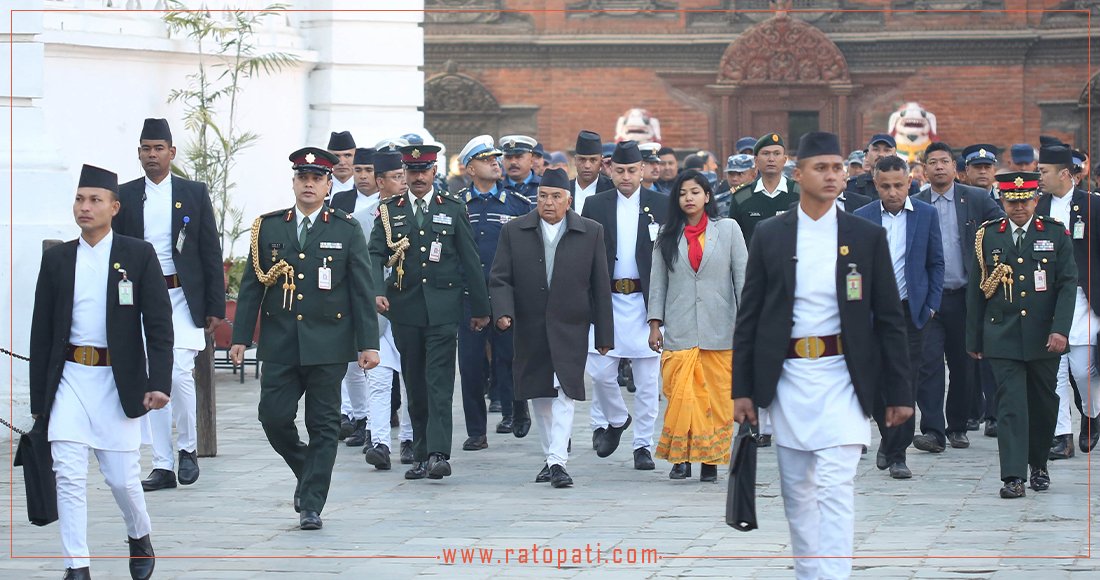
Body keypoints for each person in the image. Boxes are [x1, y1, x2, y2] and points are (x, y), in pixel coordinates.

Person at [733, 132, 913, 580]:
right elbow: (749, 317)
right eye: (821, 168)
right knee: (798, 493)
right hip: (789, 377)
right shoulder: (772, 235)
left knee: (835, 486)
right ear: (799, 176)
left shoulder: (864, 236)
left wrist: (899, 392)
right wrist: (742, 390)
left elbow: (889, 319)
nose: (832, 175)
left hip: (844, 377)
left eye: (837, 167)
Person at [30, 164, 174, 580]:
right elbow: (41, 332)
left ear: (114, 206)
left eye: (94, 200)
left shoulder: (137, 254)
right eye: (79, 199)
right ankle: (77, 566)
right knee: (69, 475)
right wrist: (41, 400)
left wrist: (158, 383)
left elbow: (159, 325)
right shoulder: (58, 259)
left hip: (117, 381)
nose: (85, 207)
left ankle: (139, 534)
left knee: (122, 480)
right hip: (71, 379)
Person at [230, 147, 380, 530]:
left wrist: (369, 343)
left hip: (328, 342)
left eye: (317, 178)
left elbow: (362, 291)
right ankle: (306, 467)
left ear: (329, 184)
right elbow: (251, 288)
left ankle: (312, 503)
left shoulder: (344, 228)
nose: (309, 184)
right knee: (273, 417)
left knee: (323, 424)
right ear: (294, 182)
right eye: (303, 178)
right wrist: (240, 338)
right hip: (280, 342)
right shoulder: (269, 227)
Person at [113, 118, 225, 492]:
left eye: (158, 148)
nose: (152, 155)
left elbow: (209, 250)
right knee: (153, 378)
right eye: (146, 148)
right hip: (142, 296)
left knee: (177, 373)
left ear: (171, 153)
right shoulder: (125, 196)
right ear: (139, 153)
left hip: (180, 295)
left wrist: (214, 305)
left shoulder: (192, 193)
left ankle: (187, 448)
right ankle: (162, 464)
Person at [368, 142, 491, 481]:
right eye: (412, 171)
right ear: (405, 174)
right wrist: (378, 291)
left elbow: (469, 259)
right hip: (405, 309)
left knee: (439, 382)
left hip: (443, 309)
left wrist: (481, 307)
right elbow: (375, 254)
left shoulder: (451, 208)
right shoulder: (390, 211)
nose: (418, 176)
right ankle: (420, 452)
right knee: (416, 382)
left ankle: (438, 453)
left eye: (424, 170)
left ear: (435, 172)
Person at [489, 168, 615, 488]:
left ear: (568, 200)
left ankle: (558, 461)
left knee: (564, 391)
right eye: (543, 196)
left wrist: (604, 334)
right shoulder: (515, 230)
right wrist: (503, 311)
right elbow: (500, 277)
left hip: (570, 325)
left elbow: (600, 286)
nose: (548, 202)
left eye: (556, 197)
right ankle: (551, 457)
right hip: (530, 325)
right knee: (540, 395)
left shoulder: (590, 231)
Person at [966, 171, 1077, 498]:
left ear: (1036, 200)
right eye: (1012, 201)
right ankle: (1012, 476)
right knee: (1010, 405)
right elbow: (976, 290)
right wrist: (974, 339)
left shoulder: (1055, 234)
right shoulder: (989, 235)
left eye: (1025, 201)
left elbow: (1067, 284)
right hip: (1002, 334)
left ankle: (1038, 464)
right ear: (1002, 200)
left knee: (1044, 405)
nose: (1019, 207)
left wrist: (1061, 329)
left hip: (1045, 337)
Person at [648, 170, 747, 482]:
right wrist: (654, 324)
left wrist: (747, 322)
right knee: (681, 398)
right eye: (682, 193)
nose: (688, 198)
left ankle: (710, 461)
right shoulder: (666, 235)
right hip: (680, 329)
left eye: (694, 192)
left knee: (715, 400)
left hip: (721, 328)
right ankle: (681, 459)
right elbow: (658, 283)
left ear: (707, 196)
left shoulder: (728, 230)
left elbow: (743, 278)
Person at [854, 155, 945, 479]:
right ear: (875, 184)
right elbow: (854, 269)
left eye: (898, 185)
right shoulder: (862, 217)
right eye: (885, 186)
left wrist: (931, 303)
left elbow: (936, 262)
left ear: (910, 183)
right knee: (876, 381)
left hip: (911, 310)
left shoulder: (926, 215)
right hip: (873, 313)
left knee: (905, 381)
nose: (892, 192)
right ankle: (888, 436)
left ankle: (897, 453)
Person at [581, 140, 669, 470]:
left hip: (646, 300)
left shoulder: (661, 204)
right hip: (608, 299)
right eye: (620, 171)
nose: (627, 177)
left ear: (643, 170)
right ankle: (618, 419)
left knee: (647, 381)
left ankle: (643, 445)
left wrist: (662, 312)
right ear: (610, 170)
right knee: (601, 372)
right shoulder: (596, 205)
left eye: (633, 170)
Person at [913, 142, 1004, 453]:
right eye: (932, 162)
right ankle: (933, 430)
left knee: (964, 364)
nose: (939, 167)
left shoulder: (975, 199)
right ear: (923, 170)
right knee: (929, 364)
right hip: (930, 299)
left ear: (955, 168)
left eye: (944, 161)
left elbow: (1002, 231)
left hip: (966, 295)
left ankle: (957, 425)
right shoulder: (916, 203)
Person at [455, 135, 533, 449]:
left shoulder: (520, 204)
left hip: (508, 295)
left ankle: (516, 409)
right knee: (471, 365)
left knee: (510, 358)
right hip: (468, 295)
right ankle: (476, 430)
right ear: (470, 168)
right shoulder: (458, 204)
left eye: (495, 158)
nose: (495, 163)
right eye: (486, 160)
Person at [1036, 145, 1100, 457]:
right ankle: (1061, 436)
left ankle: (1091, 415)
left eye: (1044, 171)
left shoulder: (1092, 205)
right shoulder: (1038, 207)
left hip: (1085, 299)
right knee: (1054, 372)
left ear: (1064, 173)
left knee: (1084, 370)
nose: (1040, 177)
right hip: (1049, 298)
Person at [365, 151, 416, 466]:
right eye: (396, 176)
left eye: (404, 175)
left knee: (412, 378)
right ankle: (379, 441)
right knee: (380, 379)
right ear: (379, 181)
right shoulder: (361, 217)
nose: (402, 181)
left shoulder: (416, 214)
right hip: (377, 312)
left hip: (410, 307)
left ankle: (409, 438)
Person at [332, 146, 380, 447]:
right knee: (351, 359)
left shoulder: (387, 205)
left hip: (378, 289)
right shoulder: (341, 200)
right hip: (346, 285)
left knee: (377, 362)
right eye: (359, 170)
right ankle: (357, 416)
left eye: (368, 171)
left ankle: (375, 420)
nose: (362, 176)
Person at [728, 132, 800, 244]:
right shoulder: (741, 196)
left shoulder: (800, 193)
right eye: (766, 154)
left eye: (776, 154)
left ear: (785, 159)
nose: (771, 159)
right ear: (756, 160)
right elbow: (733, 239)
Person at [570, 130, 614, 214]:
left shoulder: (611, 188)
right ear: (575, 161)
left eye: (593, 160)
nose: (587, 166)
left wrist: (613, 175)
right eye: (582, 159)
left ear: (601, 162)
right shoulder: (565, 189)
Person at [501, 134, 541, 203]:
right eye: (508, 157)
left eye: (518, 157)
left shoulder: (544, 187)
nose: (513, 162)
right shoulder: (497, 190)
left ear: (531, 161)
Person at [327, 130, 357, 196]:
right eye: (336, 156)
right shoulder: (320, 187)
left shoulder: (368, 188)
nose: (342, 162)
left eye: (347, 155)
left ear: (356, 157)